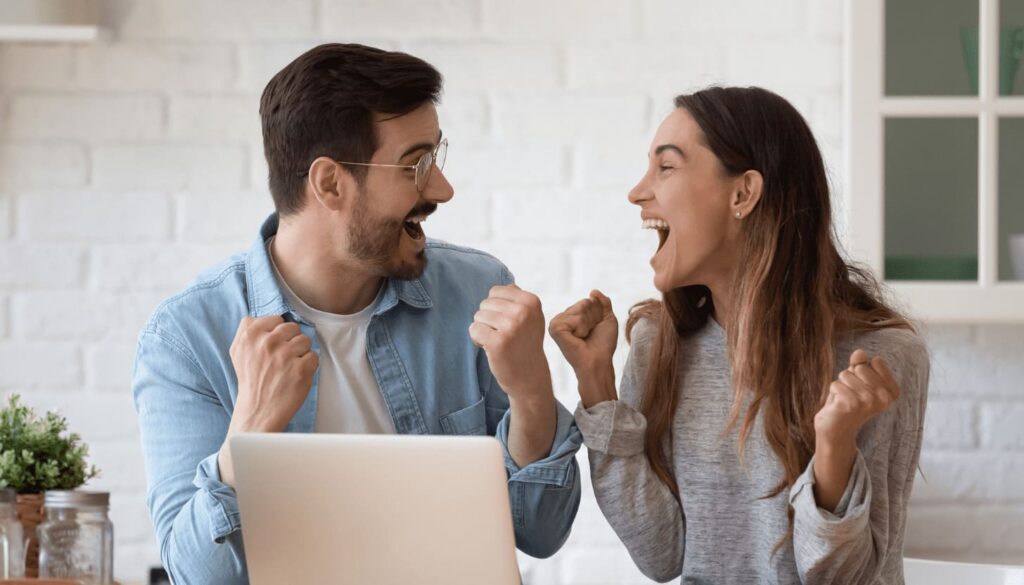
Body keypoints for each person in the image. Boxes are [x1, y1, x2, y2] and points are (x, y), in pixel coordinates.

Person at [132, 43, 581, 585]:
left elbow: (540, 531)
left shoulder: (477, 294)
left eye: (436, 158)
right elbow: (196, 576)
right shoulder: (187, 338)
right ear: (330, 184)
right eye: (415, 164)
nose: (441, 188)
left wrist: (532, 392)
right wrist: (250, 428)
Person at [549, 86, 929, 584]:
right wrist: (596, 384)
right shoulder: (659, 345)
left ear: (743, 194)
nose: (638, 191)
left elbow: (846, 578)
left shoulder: (879, 360)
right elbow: (662, 555)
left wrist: (834, 445)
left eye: (665, 167)